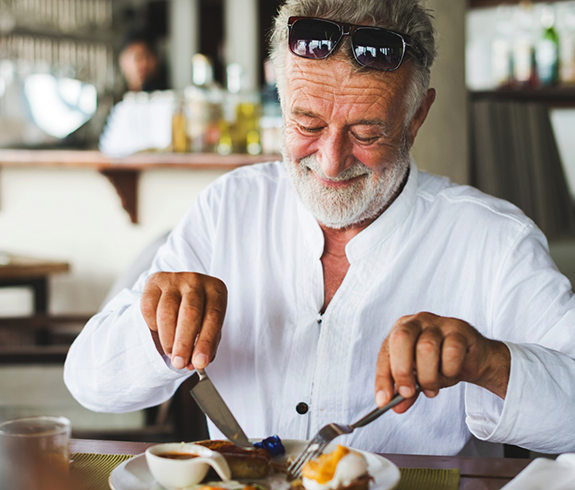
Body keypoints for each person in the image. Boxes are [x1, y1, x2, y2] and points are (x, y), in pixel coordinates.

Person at [65, 0, 575, 456]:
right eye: (307, 124)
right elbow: (89, 382)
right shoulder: (230, 208)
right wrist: (159, 327)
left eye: (366, 131)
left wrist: (489, 363)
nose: (331, 162)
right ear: (281, 100)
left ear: (416, 116)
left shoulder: (494, 240)